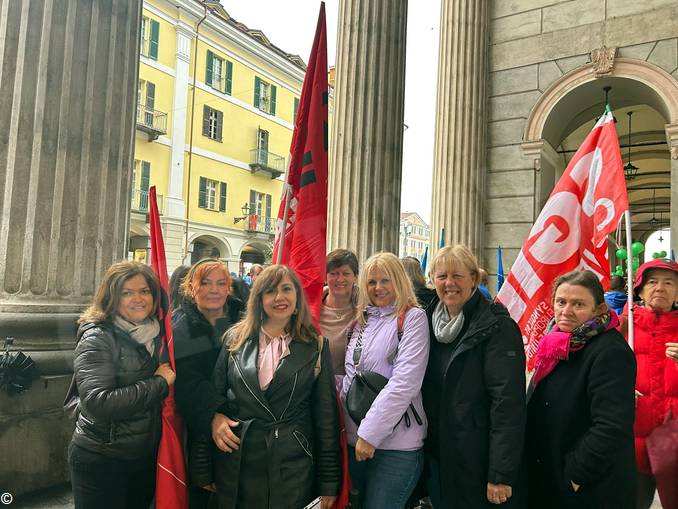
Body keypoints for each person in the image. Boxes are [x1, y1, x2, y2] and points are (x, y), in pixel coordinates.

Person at [197, 265, 340, 509]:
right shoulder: (234, 340)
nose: (279, 297)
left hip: (292, 465)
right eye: (270, 291)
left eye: (286, 289)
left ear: (297, 298)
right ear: (259, 299)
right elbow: (214, 401)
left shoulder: (316, 346)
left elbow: (326, 419)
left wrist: (328, 481)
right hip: (238, 460)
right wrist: (202, 466)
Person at [422, 245, 525, 508]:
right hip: (436, 453)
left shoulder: (498, 326)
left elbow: (508, 404)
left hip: (476, 459)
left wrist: (500, 474)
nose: (449, 283)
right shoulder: (423, 321)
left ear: (474, 279)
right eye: (442, 276)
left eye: (457, 276)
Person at [68, 261, 175, 509]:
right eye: (127, 293)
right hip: (102, 459)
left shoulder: (157, 333)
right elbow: (98, 403)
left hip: (142, 456)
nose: (138, 299)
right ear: (112, 298)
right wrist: (158, 383)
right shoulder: (98, 337)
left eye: (144, 291)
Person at [526, 270, 637, 509]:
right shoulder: (555, 343)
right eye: (561, 302)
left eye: (578, 304)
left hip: (589, 488)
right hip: (551, 475)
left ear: (598, 310)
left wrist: (576, 475)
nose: (566, 311)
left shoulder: (610, 352)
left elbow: (611, 426)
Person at [340, 252, 430, 509]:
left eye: (385, 280)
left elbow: (404, 383)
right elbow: (351, 378)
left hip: (396, 446)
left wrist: (369, 434)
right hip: (355, 441)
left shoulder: (413, 318)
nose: (378, 288)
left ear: (399, 281)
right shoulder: (361, 322)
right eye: (371, 282)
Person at [172, 259, 244, 508]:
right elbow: (187, 381)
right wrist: (213, 414)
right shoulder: (180, 327)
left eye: (221, 283)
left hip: (245, 419)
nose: (214, 289)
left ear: (229, 288)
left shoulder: (245, 317)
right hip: (200, 426)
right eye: (205, 283)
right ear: (192, 287)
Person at [623, 258, 678, 509]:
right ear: (640, 290)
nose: (660, 288)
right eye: (652, 282)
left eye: (669, 282)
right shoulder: (624, 327)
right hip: (632, 444)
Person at [319, 248, 359, 382]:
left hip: (353, 390)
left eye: (346, 273)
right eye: (334, 273)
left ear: (355, 277)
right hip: (317, 387)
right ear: (325, 276)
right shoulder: (311, 308)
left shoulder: (367, 310)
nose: (340, 279)